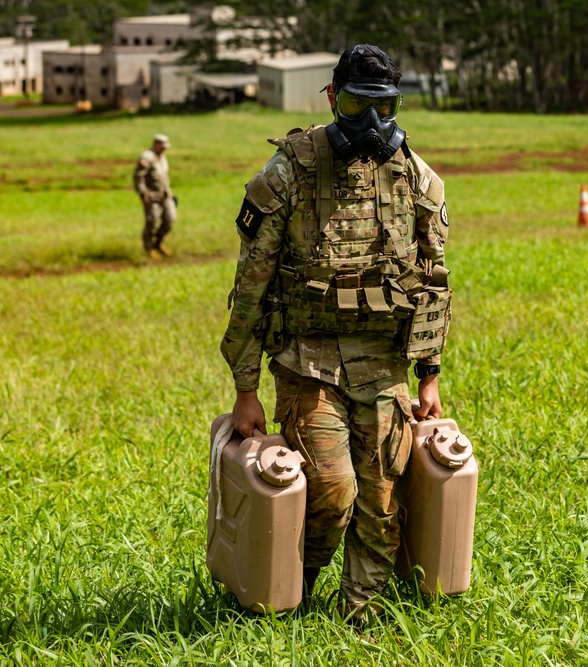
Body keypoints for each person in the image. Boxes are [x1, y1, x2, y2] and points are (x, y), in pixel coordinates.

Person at [220, 44, 451, 623]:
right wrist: (246, 389)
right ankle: (286, 596)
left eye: (384, 108)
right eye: (354, 105)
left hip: (384, 366)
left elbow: (433, 281)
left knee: (380, 502)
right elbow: (252, 285)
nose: (370, 124)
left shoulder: (416, 178)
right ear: (331, 97)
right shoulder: (291, 169)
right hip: (308, 361)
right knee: (331, 494)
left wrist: (429, 376)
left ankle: (361, 624)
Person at [133, 133, 176, 260]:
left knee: (170, 220)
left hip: (164, 194)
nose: (164, 149)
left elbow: (163, 176)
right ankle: (149, 248)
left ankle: (158, 243)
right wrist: (142, 193)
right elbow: (138, 177)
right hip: (151, 196)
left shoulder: (162, 157)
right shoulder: (146, 158)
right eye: (162, 146)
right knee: (152, 221)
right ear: (156, 144)